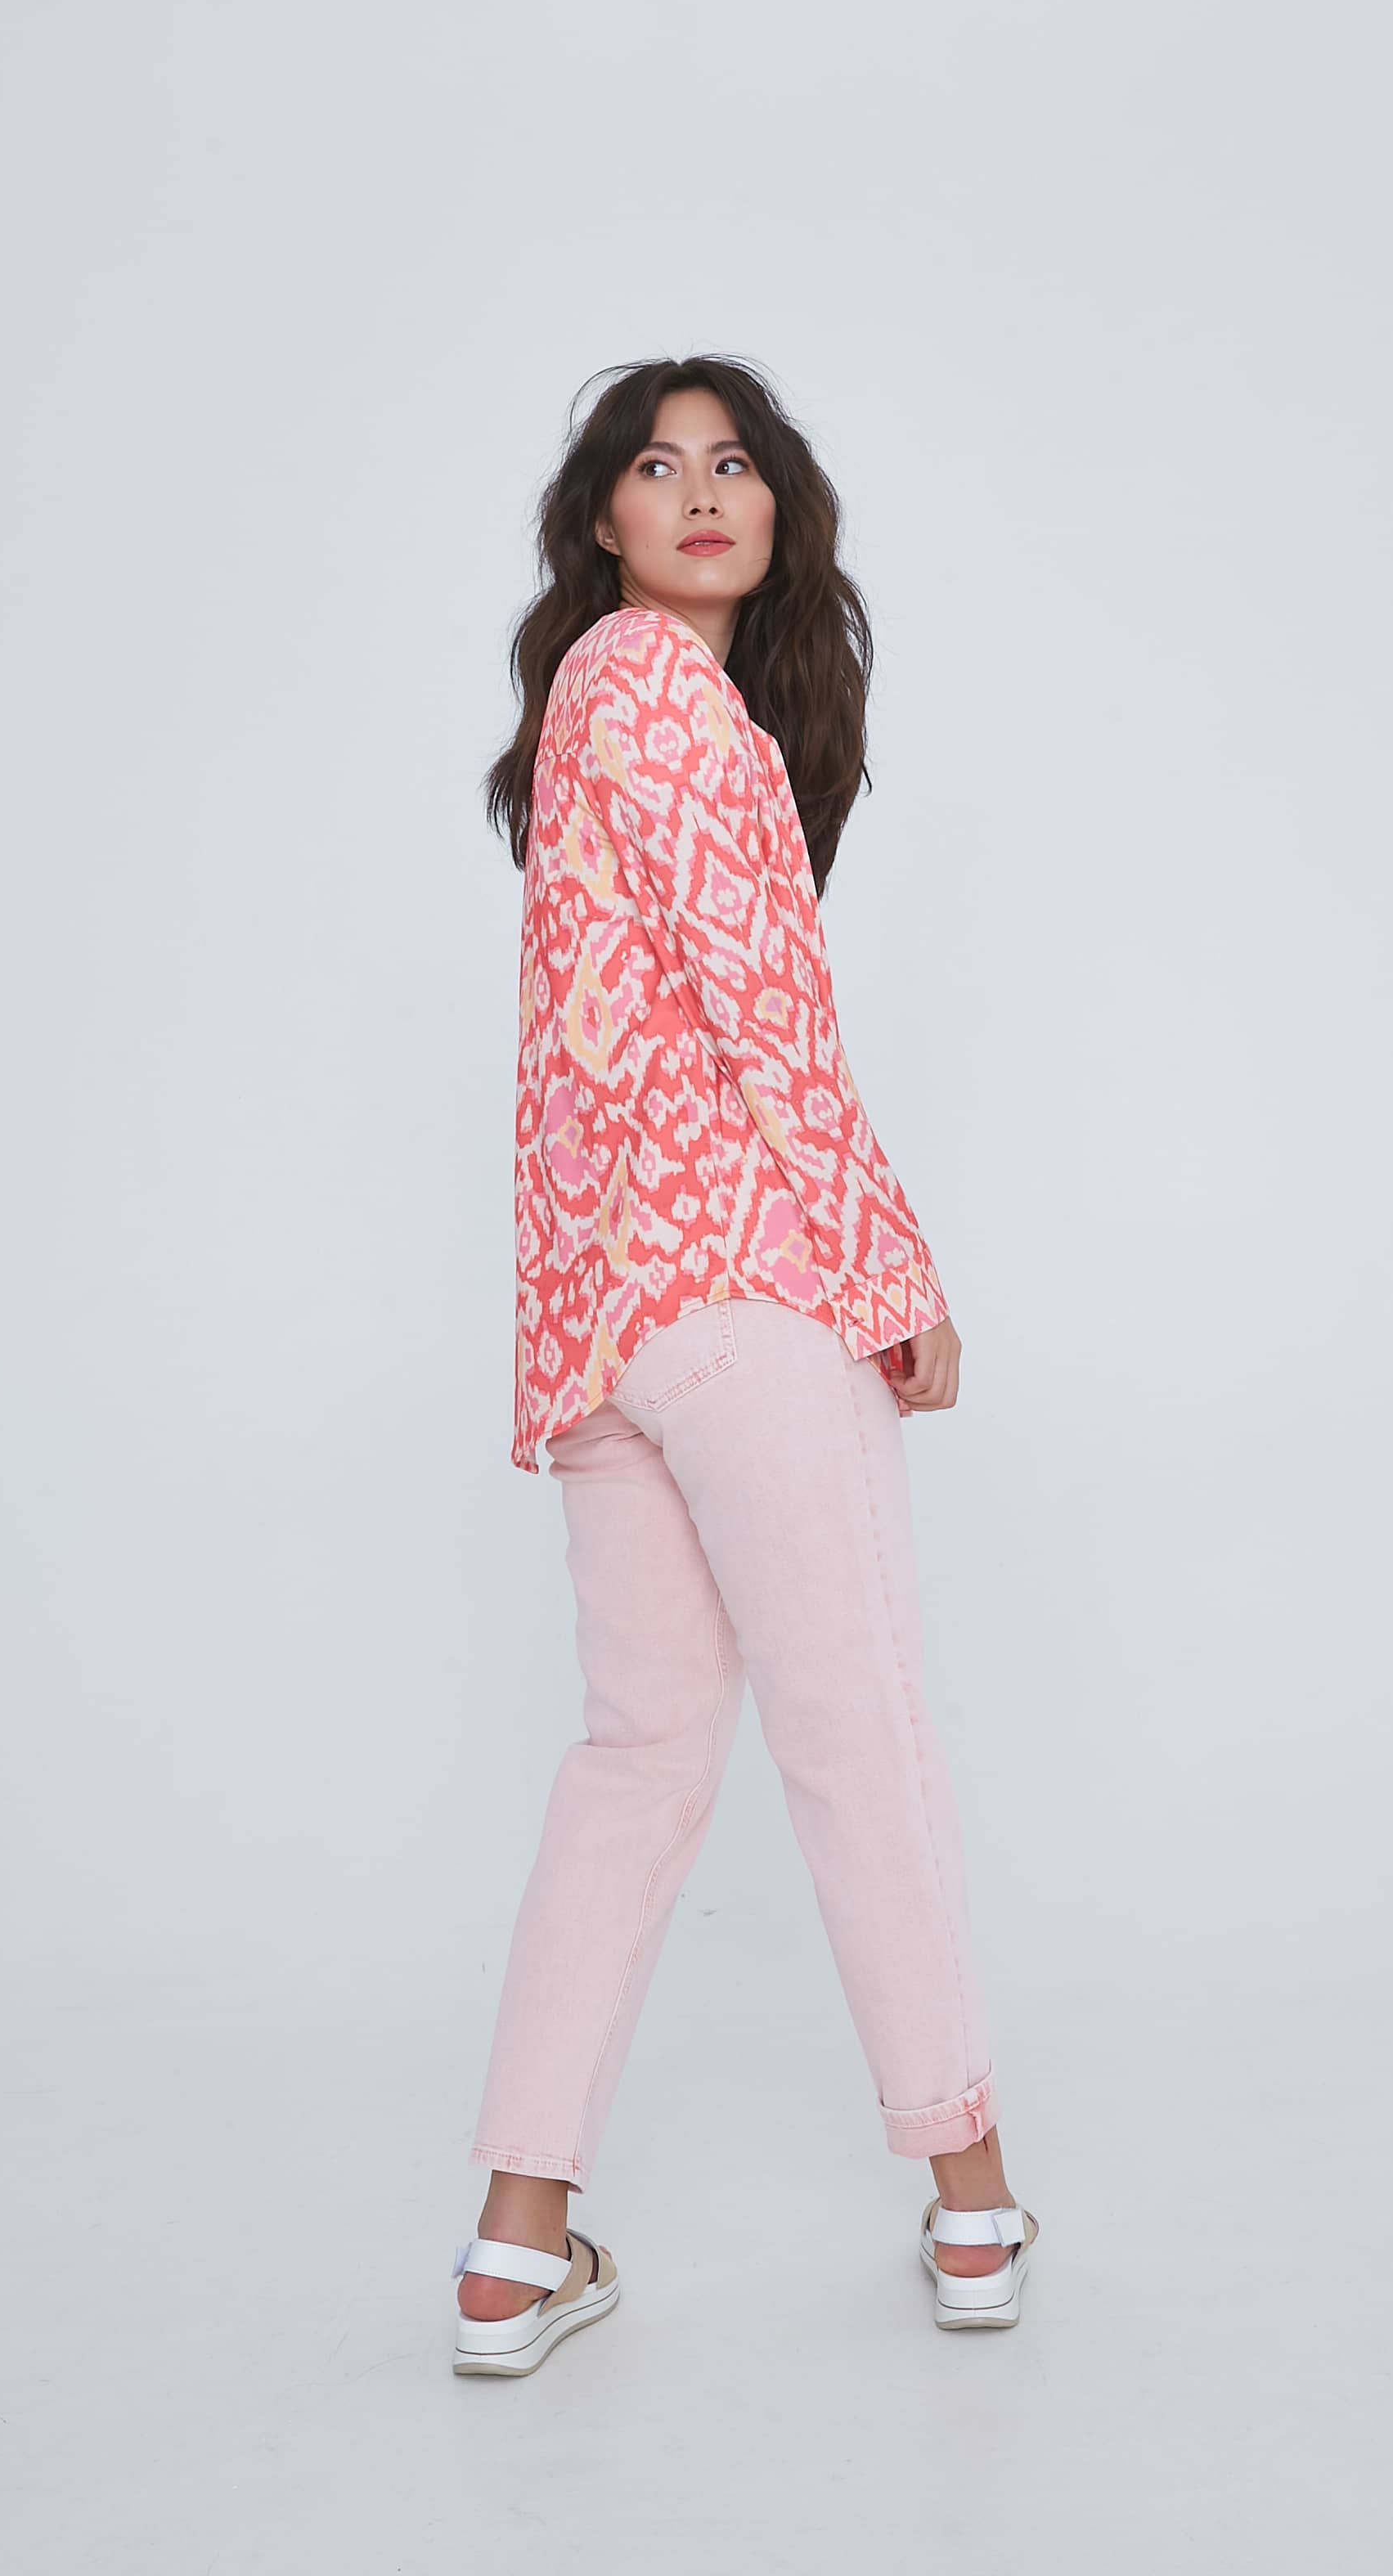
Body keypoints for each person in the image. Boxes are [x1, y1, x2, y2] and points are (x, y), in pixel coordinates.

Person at [449, 356, 1038, 2376]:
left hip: (604, 1328)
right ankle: (974, 2203)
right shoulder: (662, 696)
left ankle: (513, 2251)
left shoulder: (586, 706)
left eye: (733, 464)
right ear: (601, 522)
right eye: (653, 463)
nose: (698, 489)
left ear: (776, 512)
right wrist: (890, 1274)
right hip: (739, 1299)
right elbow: (766, 1018)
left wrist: (577, 1335)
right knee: (856, 1734)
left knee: (635, 1762)